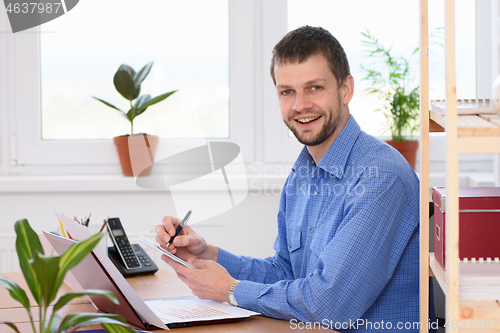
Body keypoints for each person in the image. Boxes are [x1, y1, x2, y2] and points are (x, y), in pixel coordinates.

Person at [156, 26, 434, 332]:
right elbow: (286, 272)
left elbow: (330, 305)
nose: (300, 105)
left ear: (346, 89)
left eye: (314, 88)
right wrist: (210, 255)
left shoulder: (380, 176)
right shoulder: (303, 172)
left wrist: (231, 290)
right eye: (287, 91)